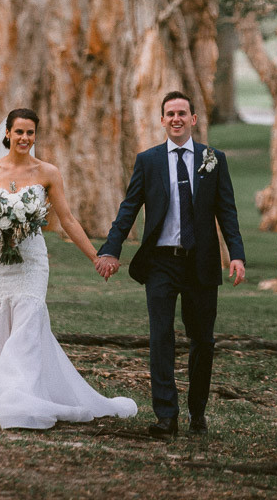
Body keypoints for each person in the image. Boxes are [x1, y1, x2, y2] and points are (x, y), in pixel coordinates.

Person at [0, 107, 138, 430]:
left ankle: (21, 395)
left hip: (31, 261)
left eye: (30, 132)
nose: (25, 138)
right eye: (19, 132)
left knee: (28, 319)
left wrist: (95, 256)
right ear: (7, 134)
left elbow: (67, 219)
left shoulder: (48, 172)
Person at [95, 91, 246, 438]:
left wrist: (236, 254)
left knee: (203, 340)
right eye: (170, 114)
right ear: (162, 120)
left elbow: (227, 211)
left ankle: (197, 412)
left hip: (201, 263)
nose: (176, 119)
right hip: (161, 262)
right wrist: (111, 250)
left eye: (182, 113)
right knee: (160, 337)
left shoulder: (213, 159)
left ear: (193, 119)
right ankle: (166, 416)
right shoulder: (148, 161)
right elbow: (129, 208)